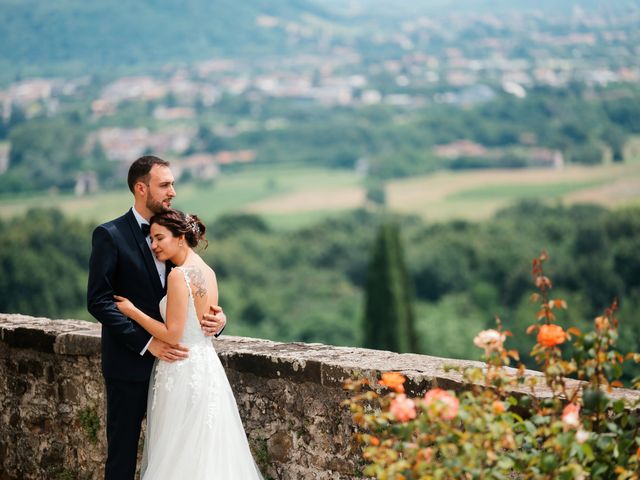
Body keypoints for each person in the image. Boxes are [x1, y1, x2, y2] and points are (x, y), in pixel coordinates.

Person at [87, 156, 226, 479]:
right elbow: (99, 301)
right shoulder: (110, 235)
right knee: (122, 458)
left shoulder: (173, 232)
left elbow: (196, 291)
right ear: (140, 188)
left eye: (173, 184)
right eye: (164, 184)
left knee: (182, 457)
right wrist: (147, 342)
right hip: (130, 365)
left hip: (180, 370)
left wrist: (217, 321)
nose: (173, 192)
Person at [113, 210, 263, 479]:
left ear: (180, 237)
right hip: (206, 366)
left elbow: (172, 334)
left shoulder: (178, 275)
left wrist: (132, 312)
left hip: (180, 367)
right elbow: (207, 319)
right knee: (204, 448)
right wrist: (221, 319)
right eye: (152, 239)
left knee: (178, 449)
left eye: (159, 238)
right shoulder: (208, 271)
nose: (153, 245)